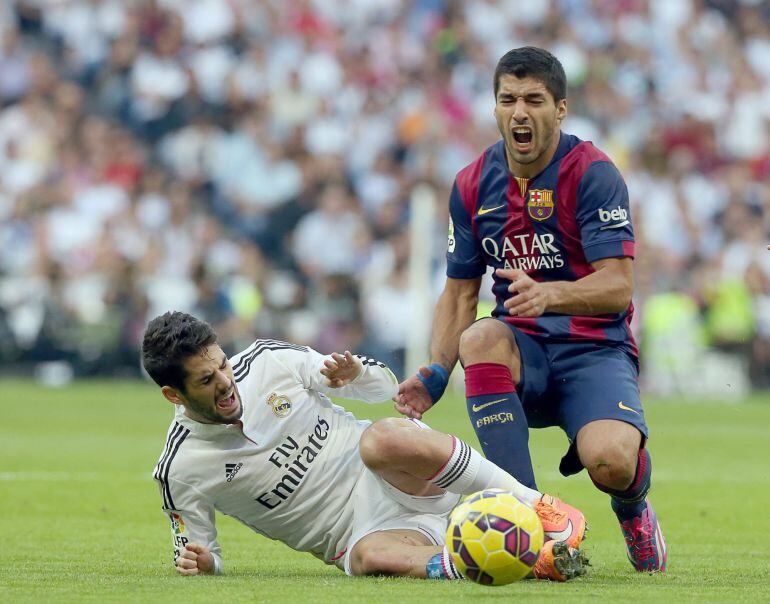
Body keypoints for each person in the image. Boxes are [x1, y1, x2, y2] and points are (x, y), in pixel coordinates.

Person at [395, 46, 666, 573]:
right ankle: (534, 524)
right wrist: (434, 371)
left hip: (594, 351)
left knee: (610, 462)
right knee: (479, 336)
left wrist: (552, 294)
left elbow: (619, 285)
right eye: (508, 99)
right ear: (495, 108)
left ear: (560, 109)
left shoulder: (594, 173)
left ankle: (632, 508)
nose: (520, 112)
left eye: (534, 100)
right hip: (522, 355)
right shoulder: (472, 184)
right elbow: (458, 293)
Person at [142, 311, 588, 581]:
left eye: (222, 364)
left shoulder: (266, 361)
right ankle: (531, 563)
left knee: (380, 437)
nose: (226, 383)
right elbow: (204, 556)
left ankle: (539, 505)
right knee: (368, 557)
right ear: (173, 395)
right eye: (207, 380)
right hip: (367, 534)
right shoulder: (180, 470)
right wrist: (203, 564)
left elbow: (384, 389)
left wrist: (355, 375)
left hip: (398, 476)